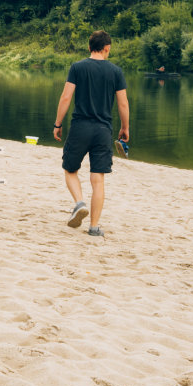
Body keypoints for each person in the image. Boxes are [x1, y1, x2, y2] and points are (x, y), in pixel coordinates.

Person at [52, 30, 130, 237]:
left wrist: (58, 124)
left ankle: (79, 203)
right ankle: (94, 228)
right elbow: (123, 103)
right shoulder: (116, 71)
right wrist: (125, 128)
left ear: (89, 47)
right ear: (107, 48)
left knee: (70, 170)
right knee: (98, 179)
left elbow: (66, 97)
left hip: (80, 127)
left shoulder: (77, 67)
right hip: (104, 130)